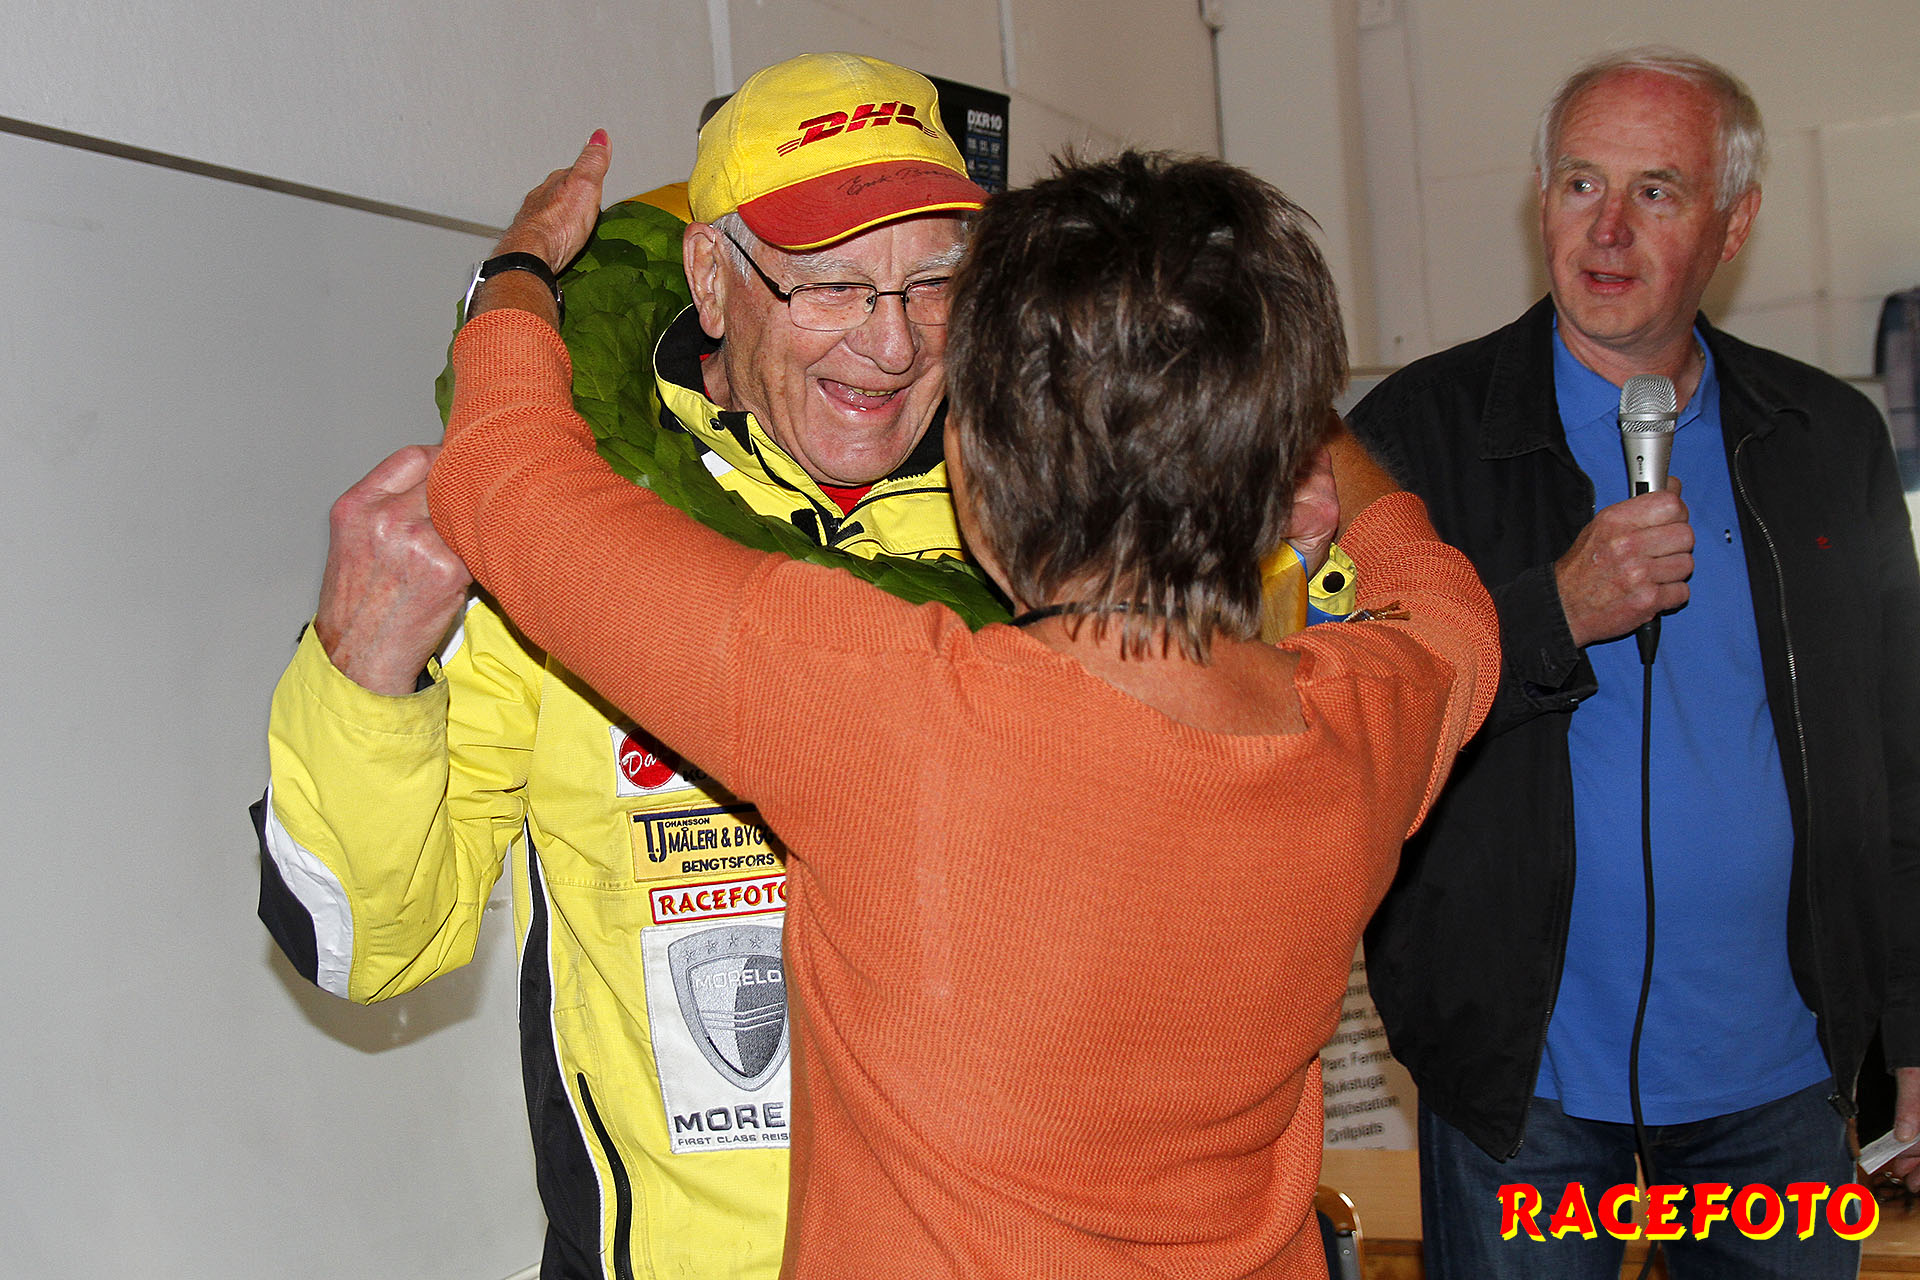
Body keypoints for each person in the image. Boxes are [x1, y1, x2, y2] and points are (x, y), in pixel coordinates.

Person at [428, 141, 1498, 1280]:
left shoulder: (885, 710)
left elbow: (506, 479)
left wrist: (522, 267)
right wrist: (1272, 393)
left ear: (973, 468)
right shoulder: (1367, 720)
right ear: (1279, 466)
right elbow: (1446, 600)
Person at [253, 52, 989, 1280]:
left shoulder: (1052, 541)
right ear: (711, 277)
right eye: (832, 284)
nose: (892, 339)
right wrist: (363, 671)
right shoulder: (563, 537)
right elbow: (361, 942)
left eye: (932, 284)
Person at [1348, 47, 1920, 1278]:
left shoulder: (1829, 438)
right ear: (1540, 201)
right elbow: (1355, 718)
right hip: (1524, 1095)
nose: (1605, 230)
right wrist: (1551, 611)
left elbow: (1902, 753)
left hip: (1782, 1088)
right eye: (1579, 185)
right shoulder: (1410, 437)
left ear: (1734, 224)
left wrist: (1915, 1024)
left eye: (1655, 191)